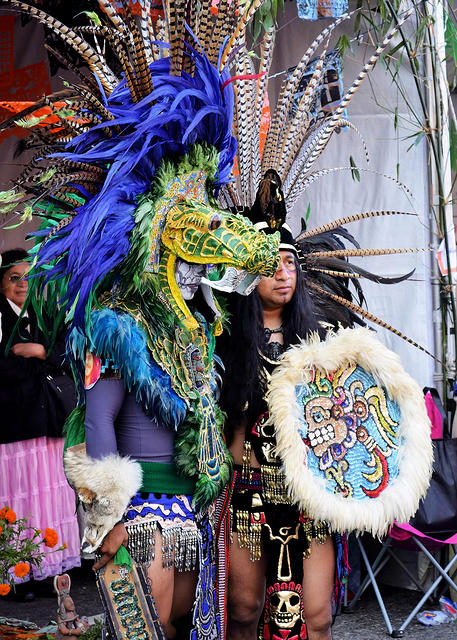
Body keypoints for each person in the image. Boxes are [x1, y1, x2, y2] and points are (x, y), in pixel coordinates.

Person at [218, 209, 347, 640]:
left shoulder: (323, 340)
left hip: (307, 493)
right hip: (248, 494)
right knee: (243, 610)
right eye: (270, 264)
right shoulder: (224, 340)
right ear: (248, 273)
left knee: (317, 616)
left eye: (290, 262)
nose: (282, 273)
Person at [0, 248, 80, 597]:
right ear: (1, 283)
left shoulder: (45, 313)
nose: (22, 285)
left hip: (49, 422)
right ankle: (17, 575)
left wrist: (40, 353)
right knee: (18, 496)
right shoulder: (1, 316)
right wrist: (36, 363)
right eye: (13, 278)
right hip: (14, 425)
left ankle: (47, 571)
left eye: (27, 278)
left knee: (49, 496)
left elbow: (69, 355)